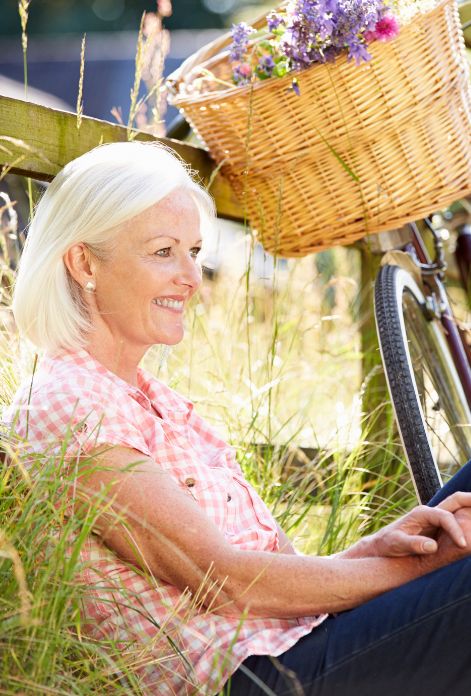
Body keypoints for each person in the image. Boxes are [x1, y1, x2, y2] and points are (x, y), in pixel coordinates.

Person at [5, 140, 471, 696]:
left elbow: (274, 574)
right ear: (84, 262)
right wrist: (426, 568)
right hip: (255, 680)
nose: (191, 277)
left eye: (195, 252)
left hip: (298, 642)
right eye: (163, 252)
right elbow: (223, 582)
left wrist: (371, 552)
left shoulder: (157, 401)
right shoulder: (68, 405)